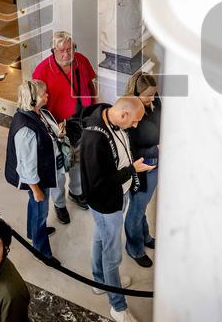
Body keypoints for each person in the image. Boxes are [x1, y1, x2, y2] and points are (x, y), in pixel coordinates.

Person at [79, 96, 156, 322]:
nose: (135, 126)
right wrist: (132, 170)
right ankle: (117, 306)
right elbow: (99, 183)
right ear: (123, 115)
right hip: (106, 202)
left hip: (117, 194)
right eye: (134, 121)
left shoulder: (109, 114)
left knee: (100, 238)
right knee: (112, 255)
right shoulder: (95, 139)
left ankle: (100, 281)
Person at [32, 30, 95, 212]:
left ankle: (76, 192)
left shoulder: (81, 60)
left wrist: (92, 110)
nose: (67, 54)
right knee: (58, 169)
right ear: (53, 50)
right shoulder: (42, 70)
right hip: (57, 129)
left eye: (70, 49)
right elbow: (35, 103)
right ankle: (59, 203)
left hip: (81, 122)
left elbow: (90, 85)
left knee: (79, 162)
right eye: (62, 50)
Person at [5, 80, 66, 260]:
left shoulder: (38, 112)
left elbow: (45, 134)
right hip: (37, 179)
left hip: (43, 171)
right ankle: (41, 251)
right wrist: (36, 189)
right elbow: (27, 165)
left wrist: (58, 132)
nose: (47, 95)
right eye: (43, 94)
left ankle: (32, 233)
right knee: (41, 212)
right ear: (32, 99)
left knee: (35, 207)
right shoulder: (26, 130)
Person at [123, 72, 161, 268]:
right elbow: (130, 148)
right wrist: (156, 149)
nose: (152, 98)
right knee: (136, 210)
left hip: (156, 164)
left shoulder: (154, 100)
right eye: (148, 95)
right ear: (136, 94)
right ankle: (134, 248)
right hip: (141, 165)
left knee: (142, 206)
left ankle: (145, 237)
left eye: (154, 93)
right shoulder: (130, 112)